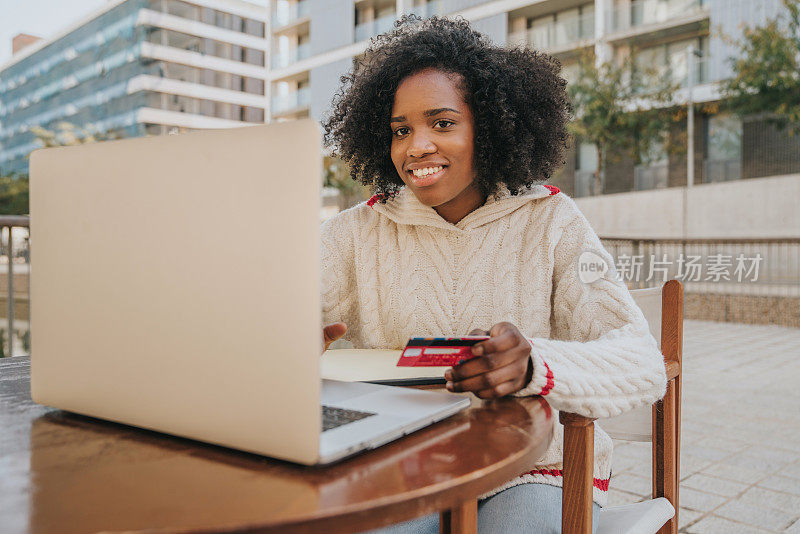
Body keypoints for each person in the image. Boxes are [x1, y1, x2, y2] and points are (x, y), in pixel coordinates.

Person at [319, 15, 667, 534]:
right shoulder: (354, 231)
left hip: (537, 470)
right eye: (400, 130)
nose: (416, 147)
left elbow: (642, 362)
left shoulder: (552, 219)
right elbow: (270, 325)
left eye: (442, 123)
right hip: (406, 467)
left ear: (491, 125)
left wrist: (535, 366)